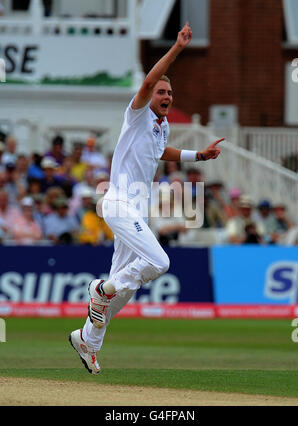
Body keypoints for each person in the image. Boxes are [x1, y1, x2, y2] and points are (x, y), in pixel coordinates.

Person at [69, 22, 223, 375]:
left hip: (137, 207)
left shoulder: (160, 125)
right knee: (159, 263)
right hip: (119, 201)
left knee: (124, 288)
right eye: (161, 92)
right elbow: (149, 82)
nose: (165, 97)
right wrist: (178, 48)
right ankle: (101, 289)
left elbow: (160, 152)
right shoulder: (136, 114)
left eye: (170, 94)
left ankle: (87, 339)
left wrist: (197, 156)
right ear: (149, 95)